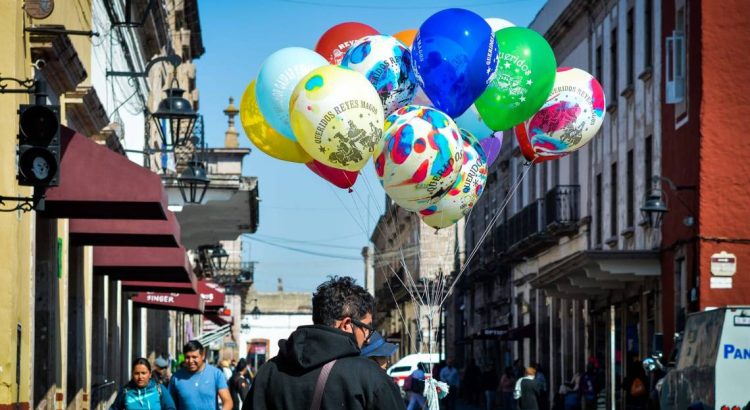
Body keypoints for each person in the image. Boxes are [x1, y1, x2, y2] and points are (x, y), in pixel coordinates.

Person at [242, 276, 404, 409]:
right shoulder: (369, 376)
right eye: (367, 327)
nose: (368, 336)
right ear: (347, 324)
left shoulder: (269, 372)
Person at [169, 340, 233, 410]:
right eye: (187, 357)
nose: (190, 361)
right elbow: (170, 404)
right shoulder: (176, 378)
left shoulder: (216, 374)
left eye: (194, 357)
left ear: (203, 356)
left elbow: (228, 401)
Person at [110, 358, 177, 410]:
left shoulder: (159, 389)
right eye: (136, 373)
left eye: (143, 373)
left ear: (150, 374)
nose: (140, 377)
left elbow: (170, 408)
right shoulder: (125, 391)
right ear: (132, 374)